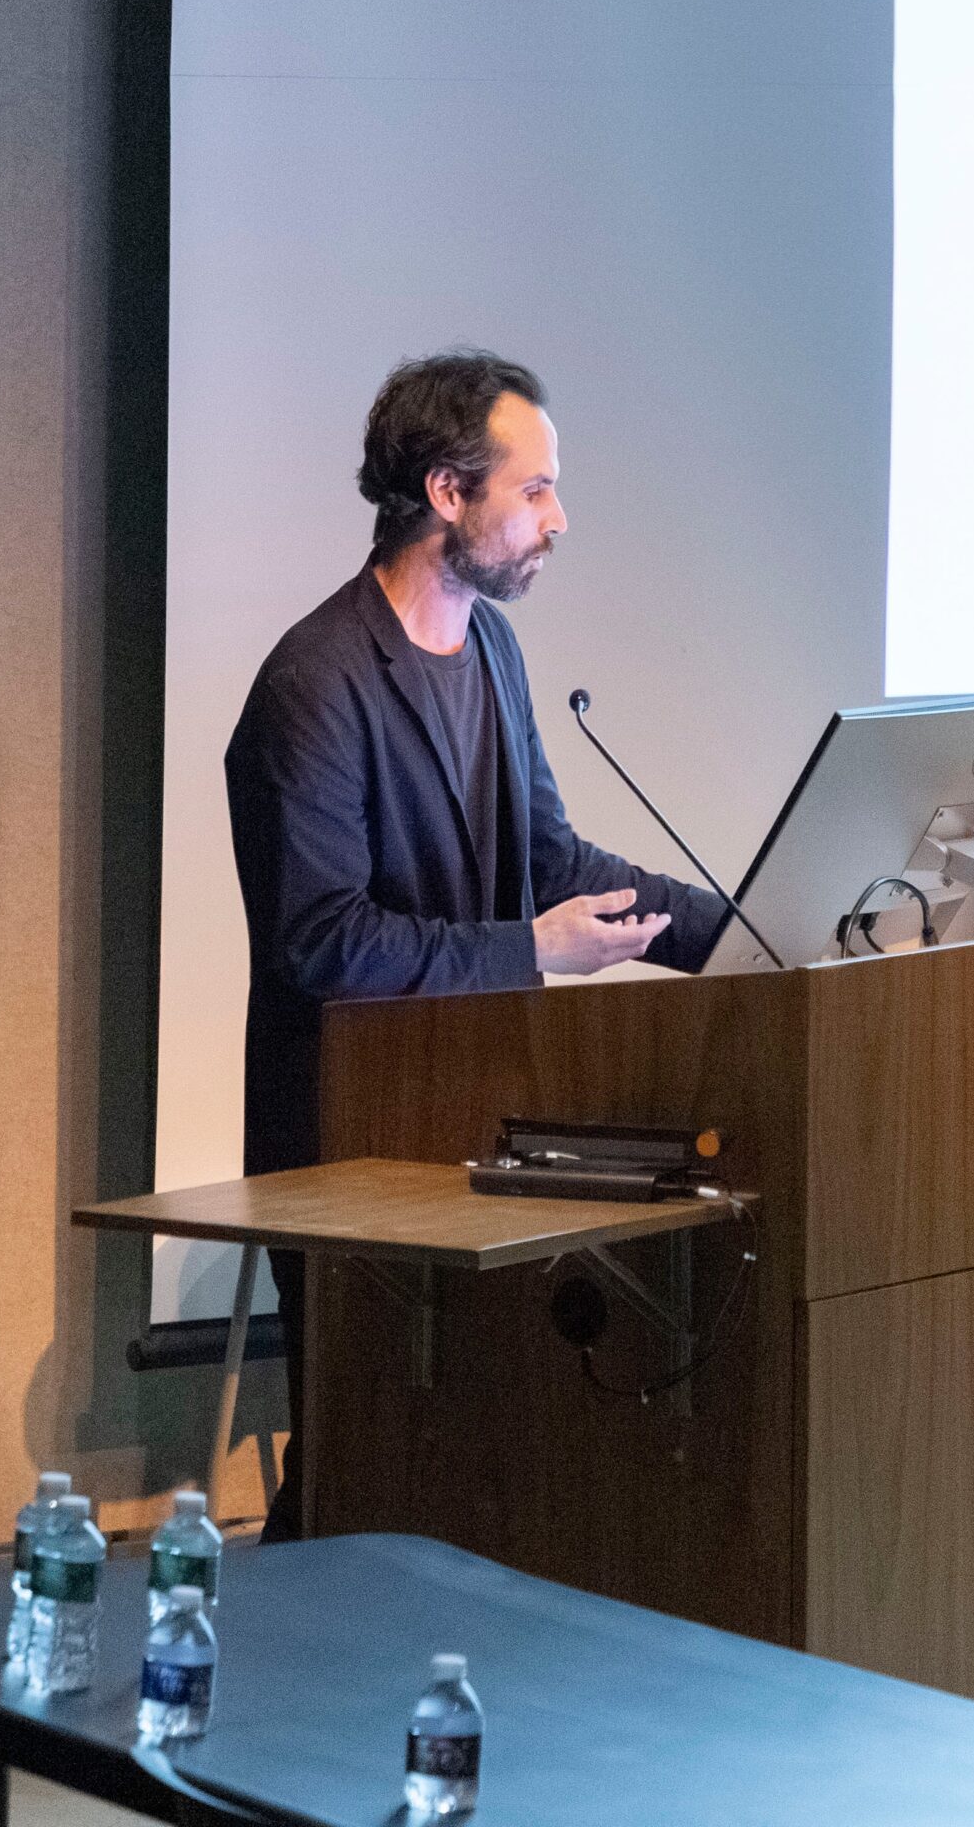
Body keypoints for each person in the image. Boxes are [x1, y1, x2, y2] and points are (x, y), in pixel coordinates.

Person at [225, 350, 727, 1536]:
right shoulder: (317, 681)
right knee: (362, 1462)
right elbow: (322, 942)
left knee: (469, 1459)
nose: (559, 518)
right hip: (348, 1138)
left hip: (476, 1116)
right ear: (447, 493)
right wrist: (529, 950)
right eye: (534, 488)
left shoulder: (493, 651)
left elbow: (549, 860)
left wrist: (740, 927)